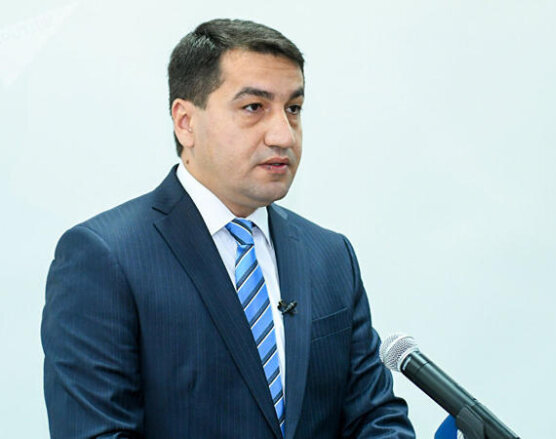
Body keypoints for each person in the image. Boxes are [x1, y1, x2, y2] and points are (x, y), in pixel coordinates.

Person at [41, 18, 415, 439]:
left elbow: (374, 418)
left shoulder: (329, 256)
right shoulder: (105, 257)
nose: (283, 135)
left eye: (293, 109)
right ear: (185, 122)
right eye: (254, 108)